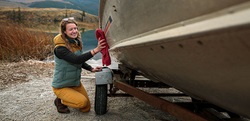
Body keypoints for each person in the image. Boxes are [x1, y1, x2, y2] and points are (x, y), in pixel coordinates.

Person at [52, 17, 106, 113]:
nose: (74, 31)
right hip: (61, 86)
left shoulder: (75, 43)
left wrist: (91, 68)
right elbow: (76, 60)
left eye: (75, 28)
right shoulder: (60, 48)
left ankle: (69, 97)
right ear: (64, 31)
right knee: (82, 103)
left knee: (86, 108)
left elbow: (79, 60)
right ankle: (60, 100)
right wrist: (95, 50)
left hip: (74, 83)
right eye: (71, 29)